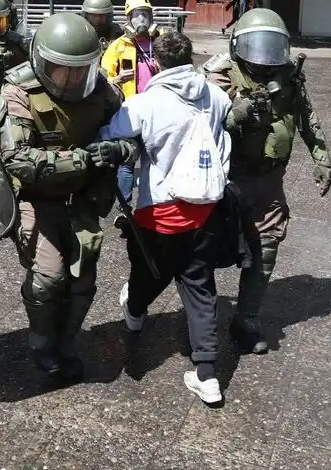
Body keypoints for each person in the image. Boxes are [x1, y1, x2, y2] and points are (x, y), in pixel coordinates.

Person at [0, 13, 137, 380]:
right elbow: (17, 159)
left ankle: (68, 339)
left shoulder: (103, 91)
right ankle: (41, 341)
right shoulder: (17, 93)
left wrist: (118, 151)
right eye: (61, 70)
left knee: (83, 280)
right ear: (41, 62)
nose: (71, 79)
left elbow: (134, 138)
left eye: (79, 70)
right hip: (38, 199)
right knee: (48, 278)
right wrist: (82, 158)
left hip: (85, 198)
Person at [95, 31, 233, 403]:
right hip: (206, 210)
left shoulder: (146, 103)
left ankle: (135, 316)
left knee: (147, 272)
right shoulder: (217, 97)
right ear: (191, 58)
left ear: (155, 62)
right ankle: (207, 375)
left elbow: (109, 135)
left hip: (159, 211)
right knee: (200, 287)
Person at [201, 8, 331, 354]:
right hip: (227, 180)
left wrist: (321, 157)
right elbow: (201, 123)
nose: (264, 59)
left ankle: (246, 319)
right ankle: (202, 321)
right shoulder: (221, 74)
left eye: (272, 48)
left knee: (267, 249)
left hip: (269, 180)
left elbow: (306, 116)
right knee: (207, 252)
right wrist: (236, 114)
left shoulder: (288, 75)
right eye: (258, 47)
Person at [100, 0, 167, 231]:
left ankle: (154, 208)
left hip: (159, 110)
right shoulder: (118, 46)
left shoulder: (162, 42)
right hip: (130, 111)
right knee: (128, 161)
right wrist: (117, 78)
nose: (141, 19)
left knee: (157, 160)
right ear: (128, 17)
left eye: (145, 14)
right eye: (136, 14)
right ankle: (125, 210)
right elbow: (102, 76)